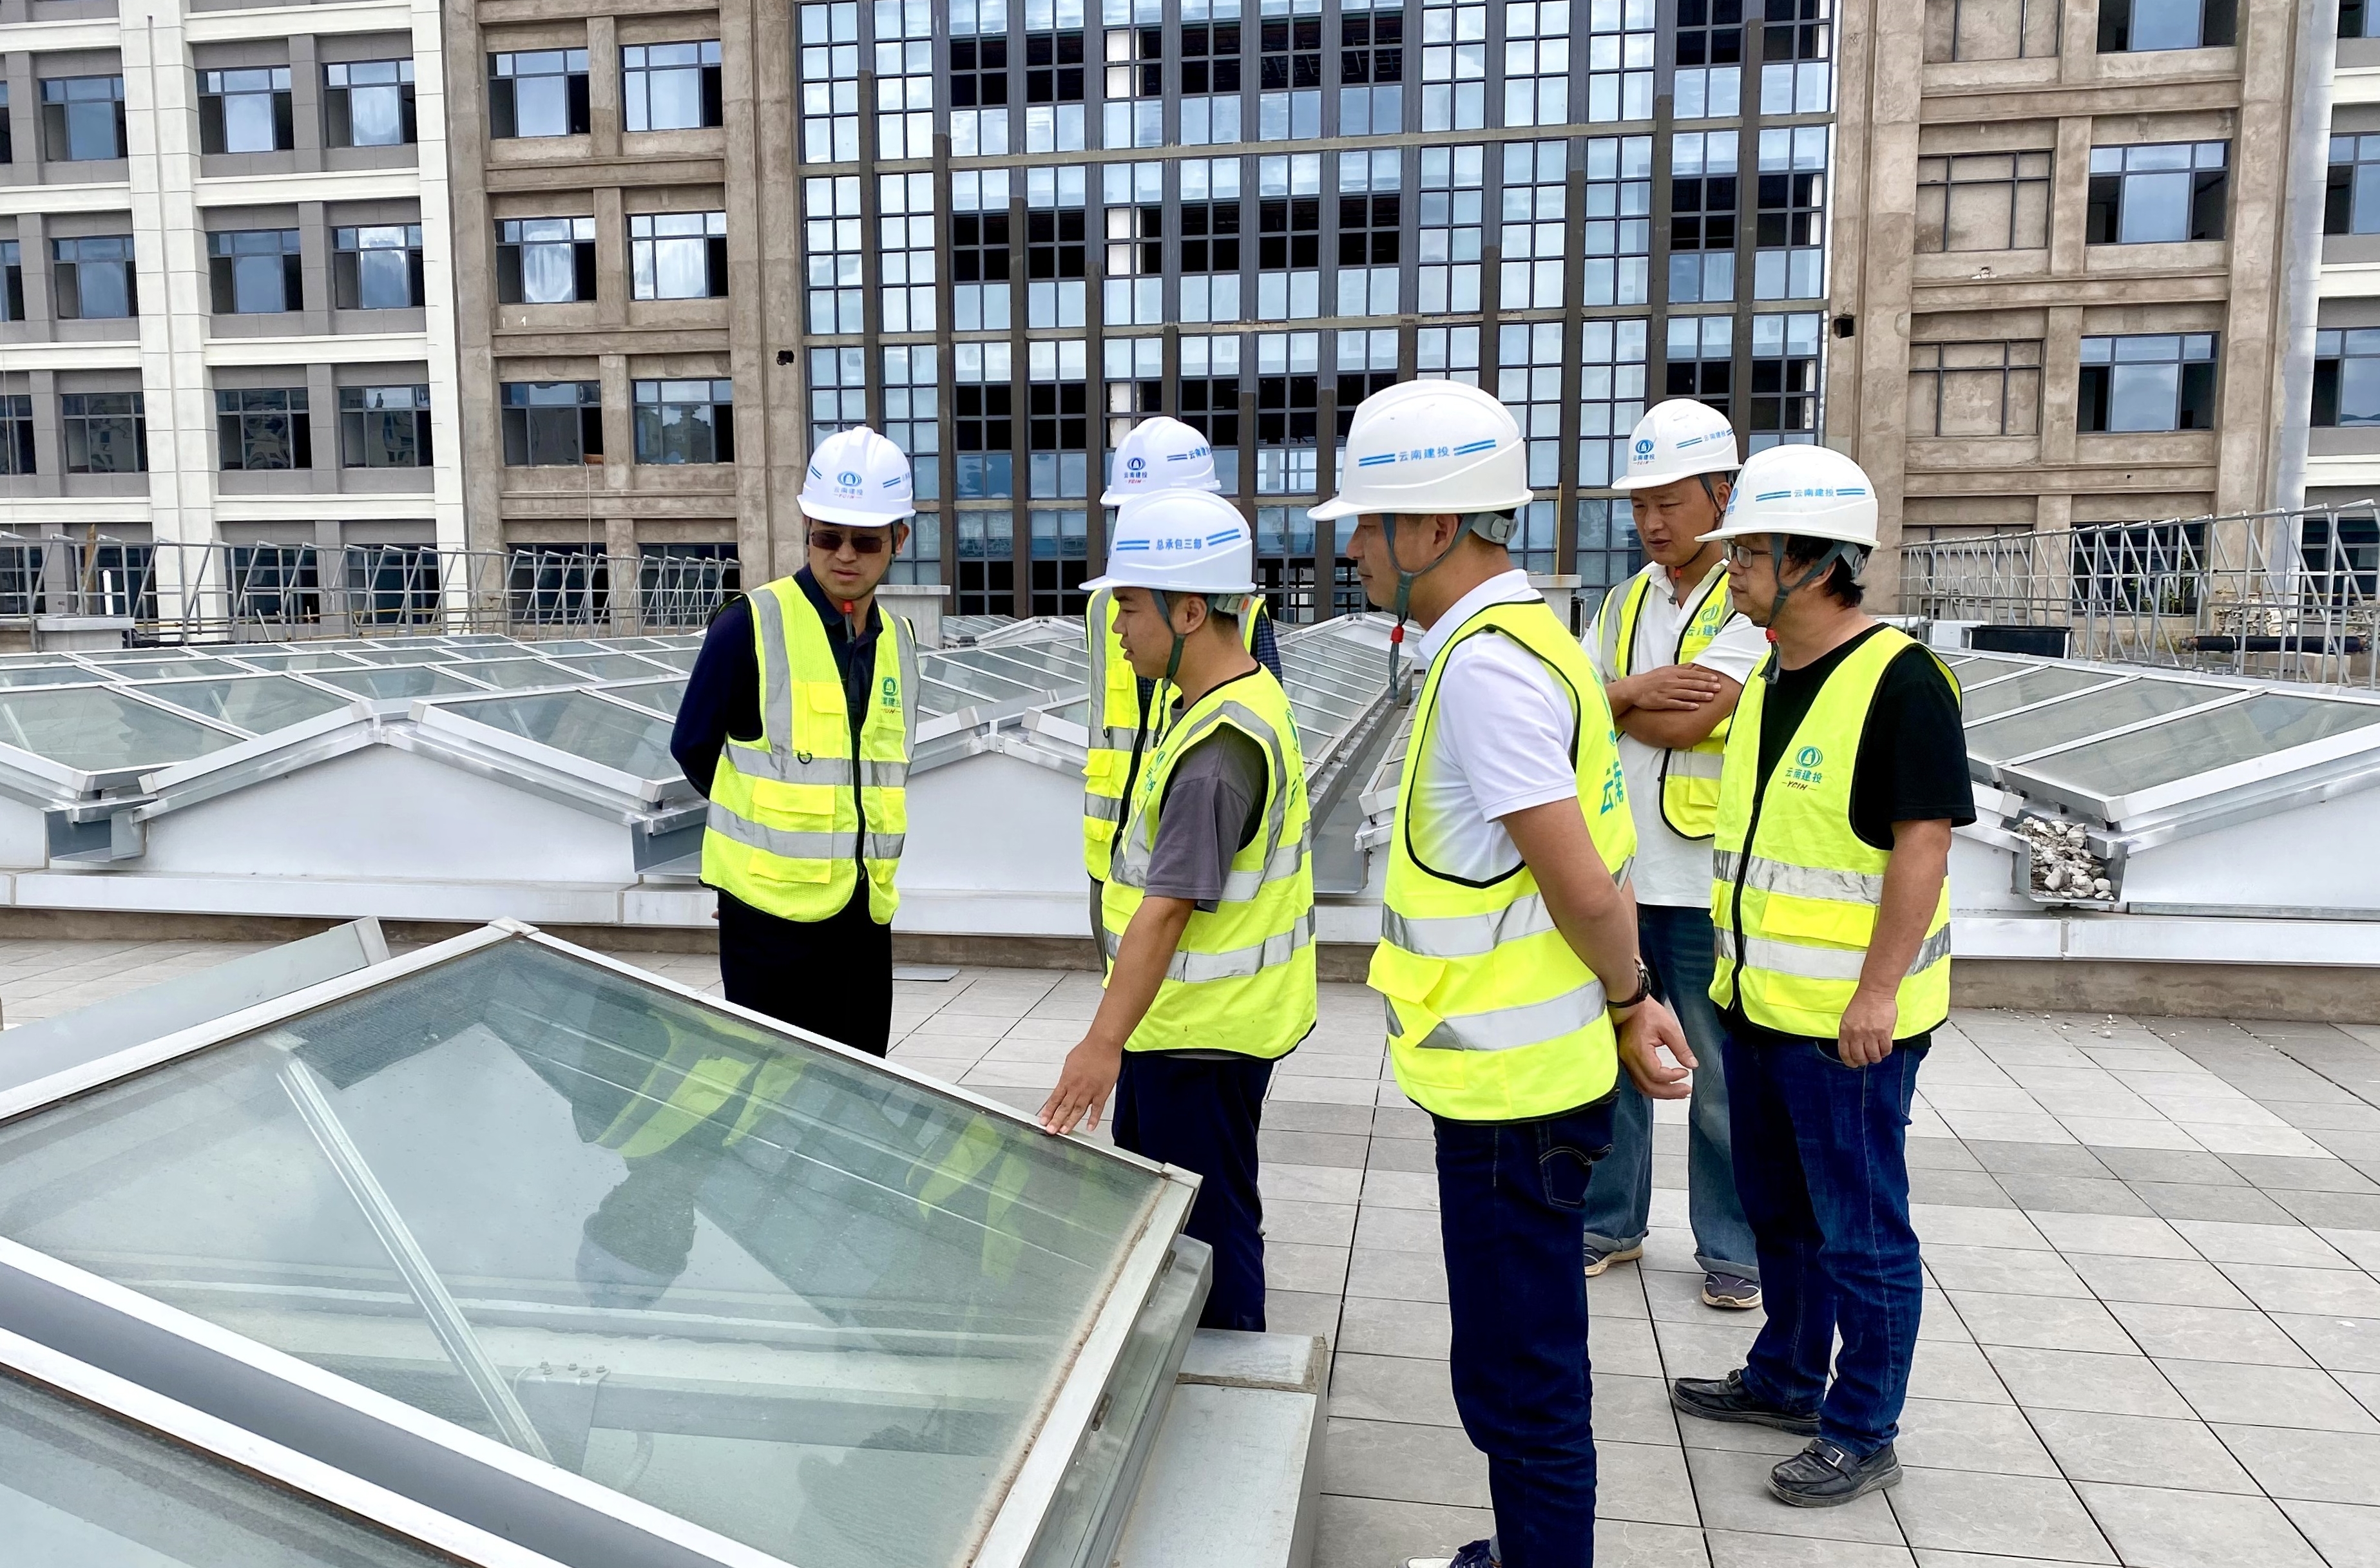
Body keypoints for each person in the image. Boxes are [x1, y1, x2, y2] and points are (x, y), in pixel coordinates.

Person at [1316, 379, 1694, 1568]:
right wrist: (1628, 1000)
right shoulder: (1538, 641)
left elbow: (1579, 881)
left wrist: (1632, 999)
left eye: (1368, 524)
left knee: (1517, 1371)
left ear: (1433, 526)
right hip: (1526, 1077)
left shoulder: (1486, 669)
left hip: (1511, 1095)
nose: (1352, 549)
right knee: (1517, 1354)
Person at [1665, 444, 1974, 1508]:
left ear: (1814, 560)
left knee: (1860, 1231)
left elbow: (1921, 846)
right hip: (1757, 1007)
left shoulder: (1901, 680)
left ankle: (1860, 1426)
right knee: (1779, 1215)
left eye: (1749, 551)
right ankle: (1787, 1376)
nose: (1732, 569)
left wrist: (1877, 993)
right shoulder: (1767, 675)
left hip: (1847, 1027)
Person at [1038, 488, 1316, 1333]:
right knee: (1206, 1213)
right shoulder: (1233, 700)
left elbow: (1164, 912)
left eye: (1128, 605)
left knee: (1204, 1233)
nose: (1117, 626)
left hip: (1197, 1037)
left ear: (1189, 610)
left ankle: (1230, 1381)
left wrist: (1100, 1045)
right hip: (1206, 1028)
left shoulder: (1217, 752)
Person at [1579, 399, 1769, 1310]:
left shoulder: (1749, 596)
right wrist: (1635, 692)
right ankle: (1609, 1223)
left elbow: (1696, 718)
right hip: (1619, 869)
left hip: (1699, 879)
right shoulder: (1623, 600)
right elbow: (1572, 708)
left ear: (1719, 495)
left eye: (1669, 502)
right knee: (1615, 1052)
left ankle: (1732, 1246)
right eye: (1640, 505)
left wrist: (1619, 698)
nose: (1651, 521)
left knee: (1716, 1073)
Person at [671, 426, 920, 1057]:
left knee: (860, 1080)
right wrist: (755, 863)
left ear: (899, 539)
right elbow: (694, 747)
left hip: (864, 914)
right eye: (827, 537)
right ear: (807, 527)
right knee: (773, 1086)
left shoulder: (901, 640)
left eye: (865, 541)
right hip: (769, 921)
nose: (844, 555)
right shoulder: (748, 625)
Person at [1084, 417, 1280, 928]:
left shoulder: (1241, 615)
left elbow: (1254, 754)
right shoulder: (1104, 606)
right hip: (1114, 851)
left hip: (1193, 862)